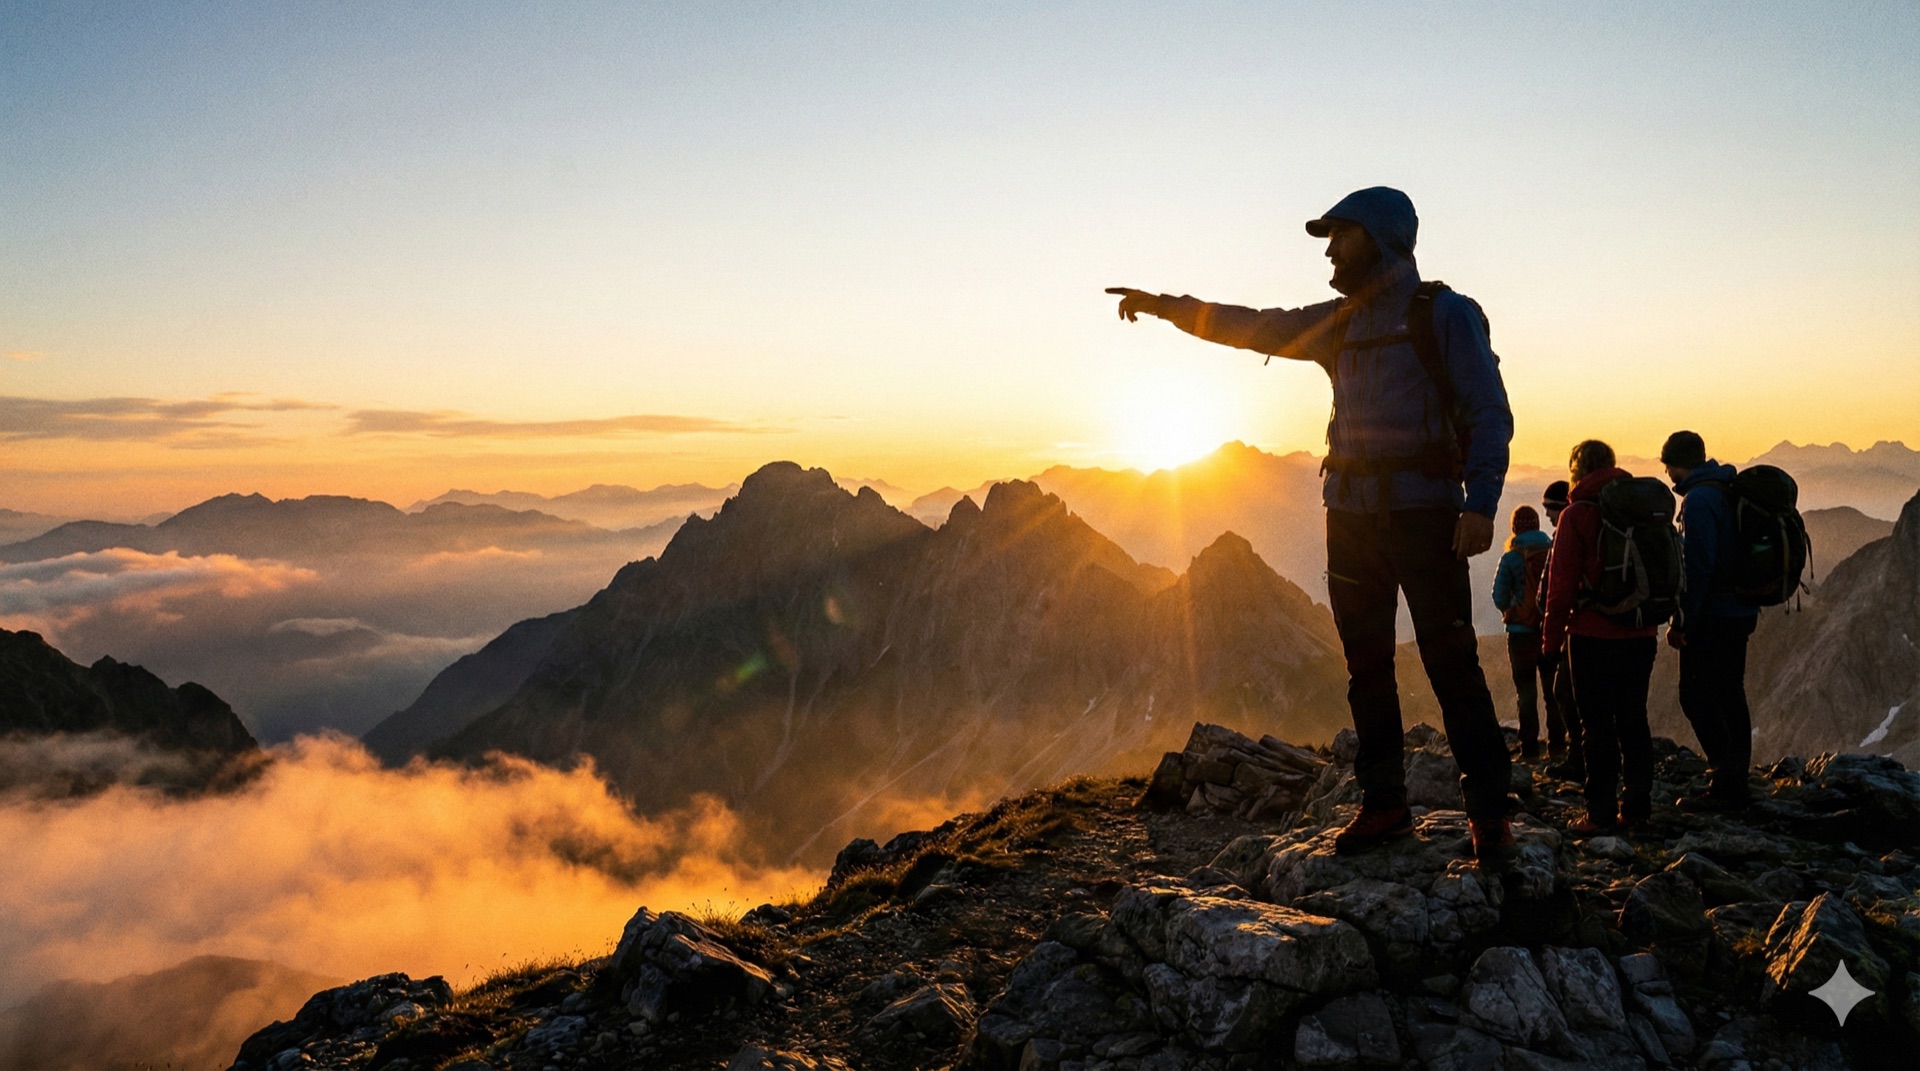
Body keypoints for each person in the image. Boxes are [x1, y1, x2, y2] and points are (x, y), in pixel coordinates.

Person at [1109, 186, 1516, 858]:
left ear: (1380, 238)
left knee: (1451, 663)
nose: (1328, 249)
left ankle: (1489, 813)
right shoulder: (1342, 322)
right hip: (1350, 517)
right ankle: (1385, 803)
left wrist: (1480, 505)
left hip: (1426, 514)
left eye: (1340, 235)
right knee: (1366, 666)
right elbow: (1253, 325)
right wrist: (1166, 308)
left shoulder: (1443, 315)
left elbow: (1487, 412)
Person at [1540, 440, 1658, 834]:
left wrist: (1550, 645)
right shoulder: (1639, 508)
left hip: (1591, 635)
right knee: (1633, 718)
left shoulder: (1576, 514)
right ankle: (1637, 807)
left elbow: (1560, 589)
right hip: (1641, 631)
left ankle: (1600, 814)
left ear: (1577, 470)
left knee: (1597, 725)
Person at [1661, 430, 1760, 811]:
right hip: (1740, 611)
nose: (1668, 474)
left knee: (1696, 693)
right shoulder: (1725, 487)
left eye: (1668, 465)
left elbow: (1698, 566)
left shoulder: (1699, 500)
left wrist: (1682, 620)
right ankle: (1734, 777)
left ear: (1676, 464)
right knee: (1729, 692)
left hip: (1713, 615)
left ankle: (1727, 780)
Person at [1491, 505, 1553, 760]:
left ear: (1515, 527)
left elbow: (1498, 596)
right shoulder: (1552, 551)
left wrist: (1513, 609)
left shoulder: (1511, 557)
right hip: (1550, 629)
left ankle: (1529, 748)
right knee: (1552, 689)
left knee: (1526, 691)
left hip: (1520, 634)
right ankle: (1559, 744)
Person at [1537, 480, 1583, 779]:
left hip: (1577, 627)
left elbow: (1557, 590)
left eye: (1551, 509)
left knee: (1567, 693)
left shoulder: (1569, 533)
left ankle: (1580, 759)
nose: (1549, 516)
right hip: (1599, 626)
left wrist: (1550, 643)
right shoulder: (1591, 527)